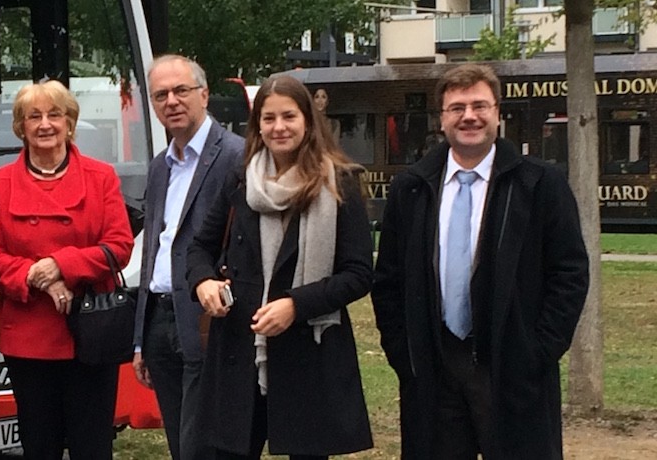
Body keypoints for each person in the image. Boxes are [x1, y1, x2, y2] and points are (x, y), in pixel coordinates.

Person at [373, 63, 589, 459]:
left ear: (497, 112)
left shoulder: (540, 184)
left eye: (479, 105)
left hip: (512, 370)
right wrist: (404, 356)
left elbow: (569, 275)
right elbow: (388, 280)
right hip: (434, 372)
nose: (469, 116)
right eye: (457, 107)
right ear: (442, 118)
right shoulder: (413, 188)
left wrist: (537, 353)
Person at [186, 75, 374, 460]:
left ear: (308, 120)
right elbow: (200, 247)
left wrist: (295, 305)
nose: (279, 127)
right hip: (240, 347)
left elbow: (358, 274)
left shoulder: (341, 183)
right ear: (257, 126)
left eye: (288, 116)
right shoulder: (240, 178)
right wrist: (203, 281)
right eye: (268, 119)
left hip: (308, 349)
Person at [0, 80, 134, 459]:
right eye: (34, 116)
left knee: (91, 447)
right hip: (29, 338)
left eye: (55, 115)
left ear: (69, 122)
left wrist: (60, 266)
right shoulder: (0, 183)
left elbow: (119, 246)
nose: (45, 124)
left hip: (91, 333)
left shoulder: (101, 177)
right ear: (21, 126)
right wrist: (35, 276)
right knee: (38, 445)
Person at [133, 55, 245, 460]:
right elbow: (154, 250)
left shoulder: (236, 156)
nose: (172, 101)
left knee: (202, 447)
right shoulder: (160, 166)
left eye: (181, 91)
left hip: (206, 318)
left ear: (204, 94)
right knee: (180, 446)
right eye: (161, 95)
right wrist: (140, 341)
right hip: (159, 319)